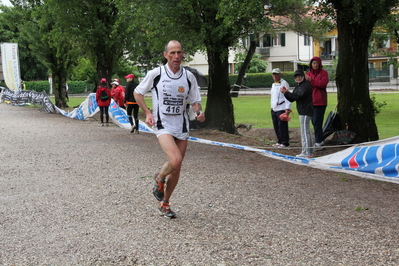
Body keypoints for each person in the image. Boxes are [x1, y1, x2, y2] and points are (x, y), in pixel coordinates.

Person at [134, 40, 205, 218]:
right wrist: (147, 112)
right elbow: (138, 92)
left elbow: (195, 100)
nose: (176, 56)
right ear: (165, 55)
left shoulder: (188, 77)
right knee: (175, 159)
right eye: (172, 53)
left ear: (182, 54)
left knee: (177, 166)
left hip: (181, 125)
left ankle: (165, 203)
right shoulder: (156, 74)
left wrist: (199, 113)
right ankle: (159, 177)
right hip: (162, 123)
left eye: (179, 53)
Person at [281, 70, 313, 158]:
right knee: (306, 131)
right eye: (296, 77)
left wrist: (286, 93)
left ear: (303, 76)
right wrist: (286, 93)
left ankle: (306, 152)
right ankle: (309, 150)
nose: (298, 78)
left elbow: (298, 96)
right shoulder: (299, 86)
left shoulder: (306, 85)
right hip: (303, 110)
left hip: (306, 110)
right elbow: (293, 98)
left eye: (299, 76)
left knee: (304, 131)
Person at [305, 56, 329, 149]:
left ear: (319, 64)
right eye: (313, 63)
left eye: (316, 63)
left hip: (320, 102)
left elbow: (322, 84)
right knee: (313, 122)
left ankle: (319, 141)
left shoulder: (324, 73)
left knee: (317, 121)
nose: (315, 65)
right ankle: (320, 139)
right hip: (311, 102)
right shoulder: (308, 73)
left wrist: (311, 81)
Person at [270, 68, 292, 148]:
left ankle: (285, 142)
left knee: (282, 126)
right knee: (276, 125)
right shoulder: (273, 84)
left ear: (280, 75)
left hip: (282, 107)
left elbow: (287, 96)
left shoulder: (284, 83)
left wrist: (287, 108)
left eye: (277, 74)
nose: (275, 76)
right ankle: (279, 140)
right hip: (274, 108)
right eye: (274, 74)